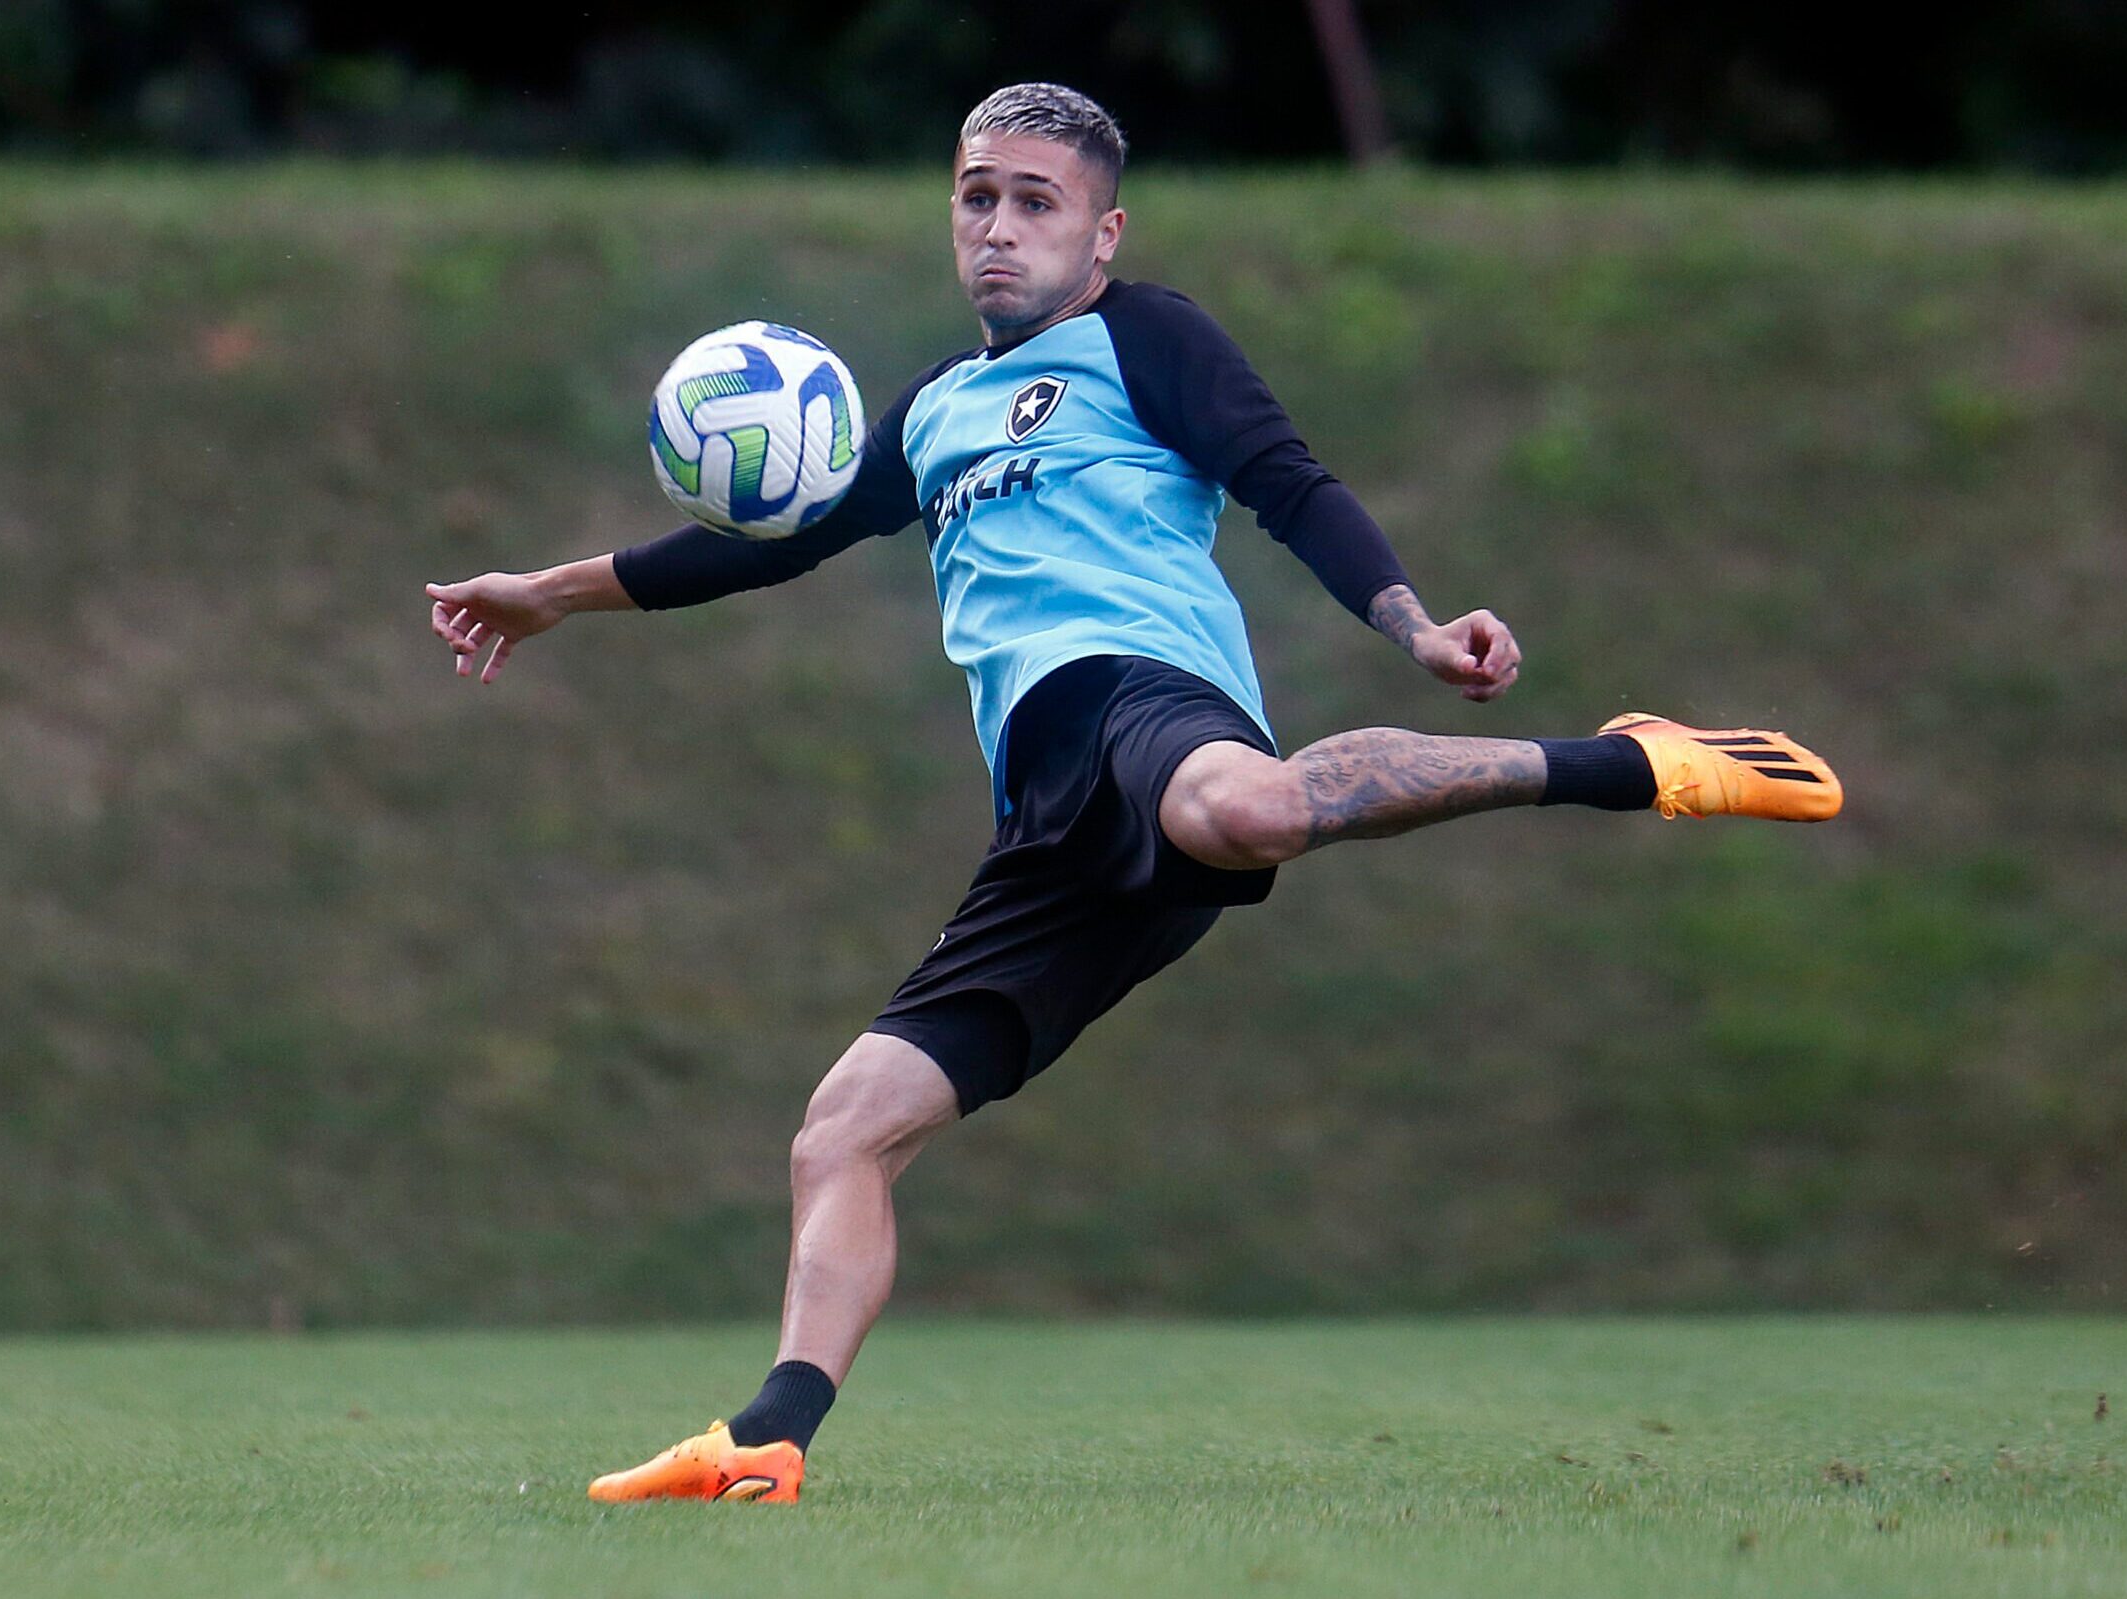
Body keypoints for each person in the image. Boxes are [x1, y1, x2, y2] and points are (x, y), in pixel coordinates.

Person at [423, 83, 1841, 1506]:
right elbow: (759, 548)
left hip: (1147, 698)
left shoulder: (1144, 337)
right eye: (978, 195)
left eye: (1035, 201)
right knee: (846, 1128)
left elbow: (1288, 483)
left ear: (1103, 233)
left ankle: (1629, 762)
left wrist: (1411, 624)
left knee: (1249, 811)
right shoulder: (928, 414)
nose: (998, 226)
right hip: (1046, 814)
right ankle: (771, 1438)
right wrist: (545, 595)